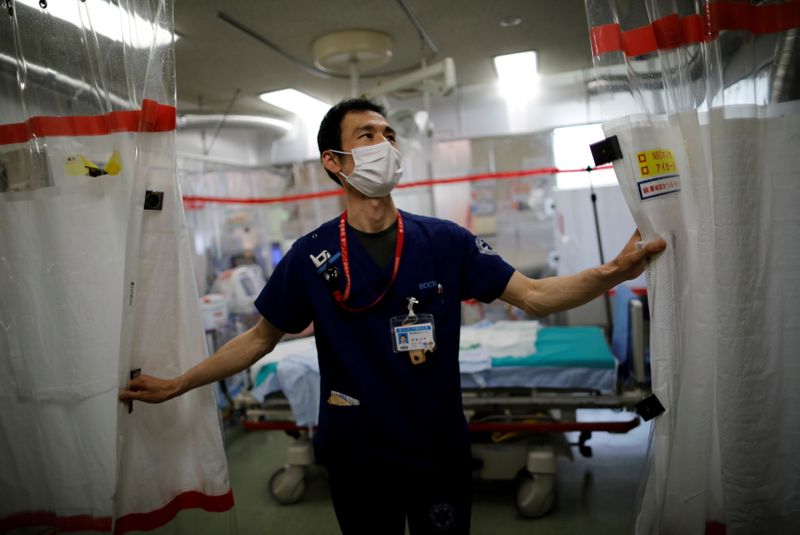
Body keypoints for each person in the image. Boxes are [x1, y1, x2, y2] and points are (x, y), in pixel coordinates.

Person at [120, 98, 666, 534]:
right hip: (357, 453)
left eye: (389, 135)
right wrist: (181, 382)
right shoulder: (310, 256)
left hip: (437, 449)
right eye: (367, 136)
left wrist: (612, 273)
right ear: (334, 162)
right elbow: (261, 338)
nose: (385, 144)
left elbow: (536, 295)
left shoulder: (445, 242)